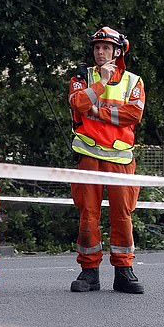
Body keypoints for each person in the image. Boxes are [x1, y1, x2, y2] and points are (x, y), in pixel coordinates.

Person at [69, 26, 145, 294]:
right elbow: (77, 104)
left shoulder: (133, 81)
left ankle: (124, 270)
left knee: (121, 215)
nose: (100, 53)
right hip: (88, 155)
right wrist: (100, 83)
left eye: (105, 48)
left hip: (120, 159)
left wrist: (97, 111)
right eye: (96, 48)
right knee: (87, 216)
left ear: (117, 52)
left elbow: (133, 114)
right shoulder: (82, 76)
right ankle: (89, 272)